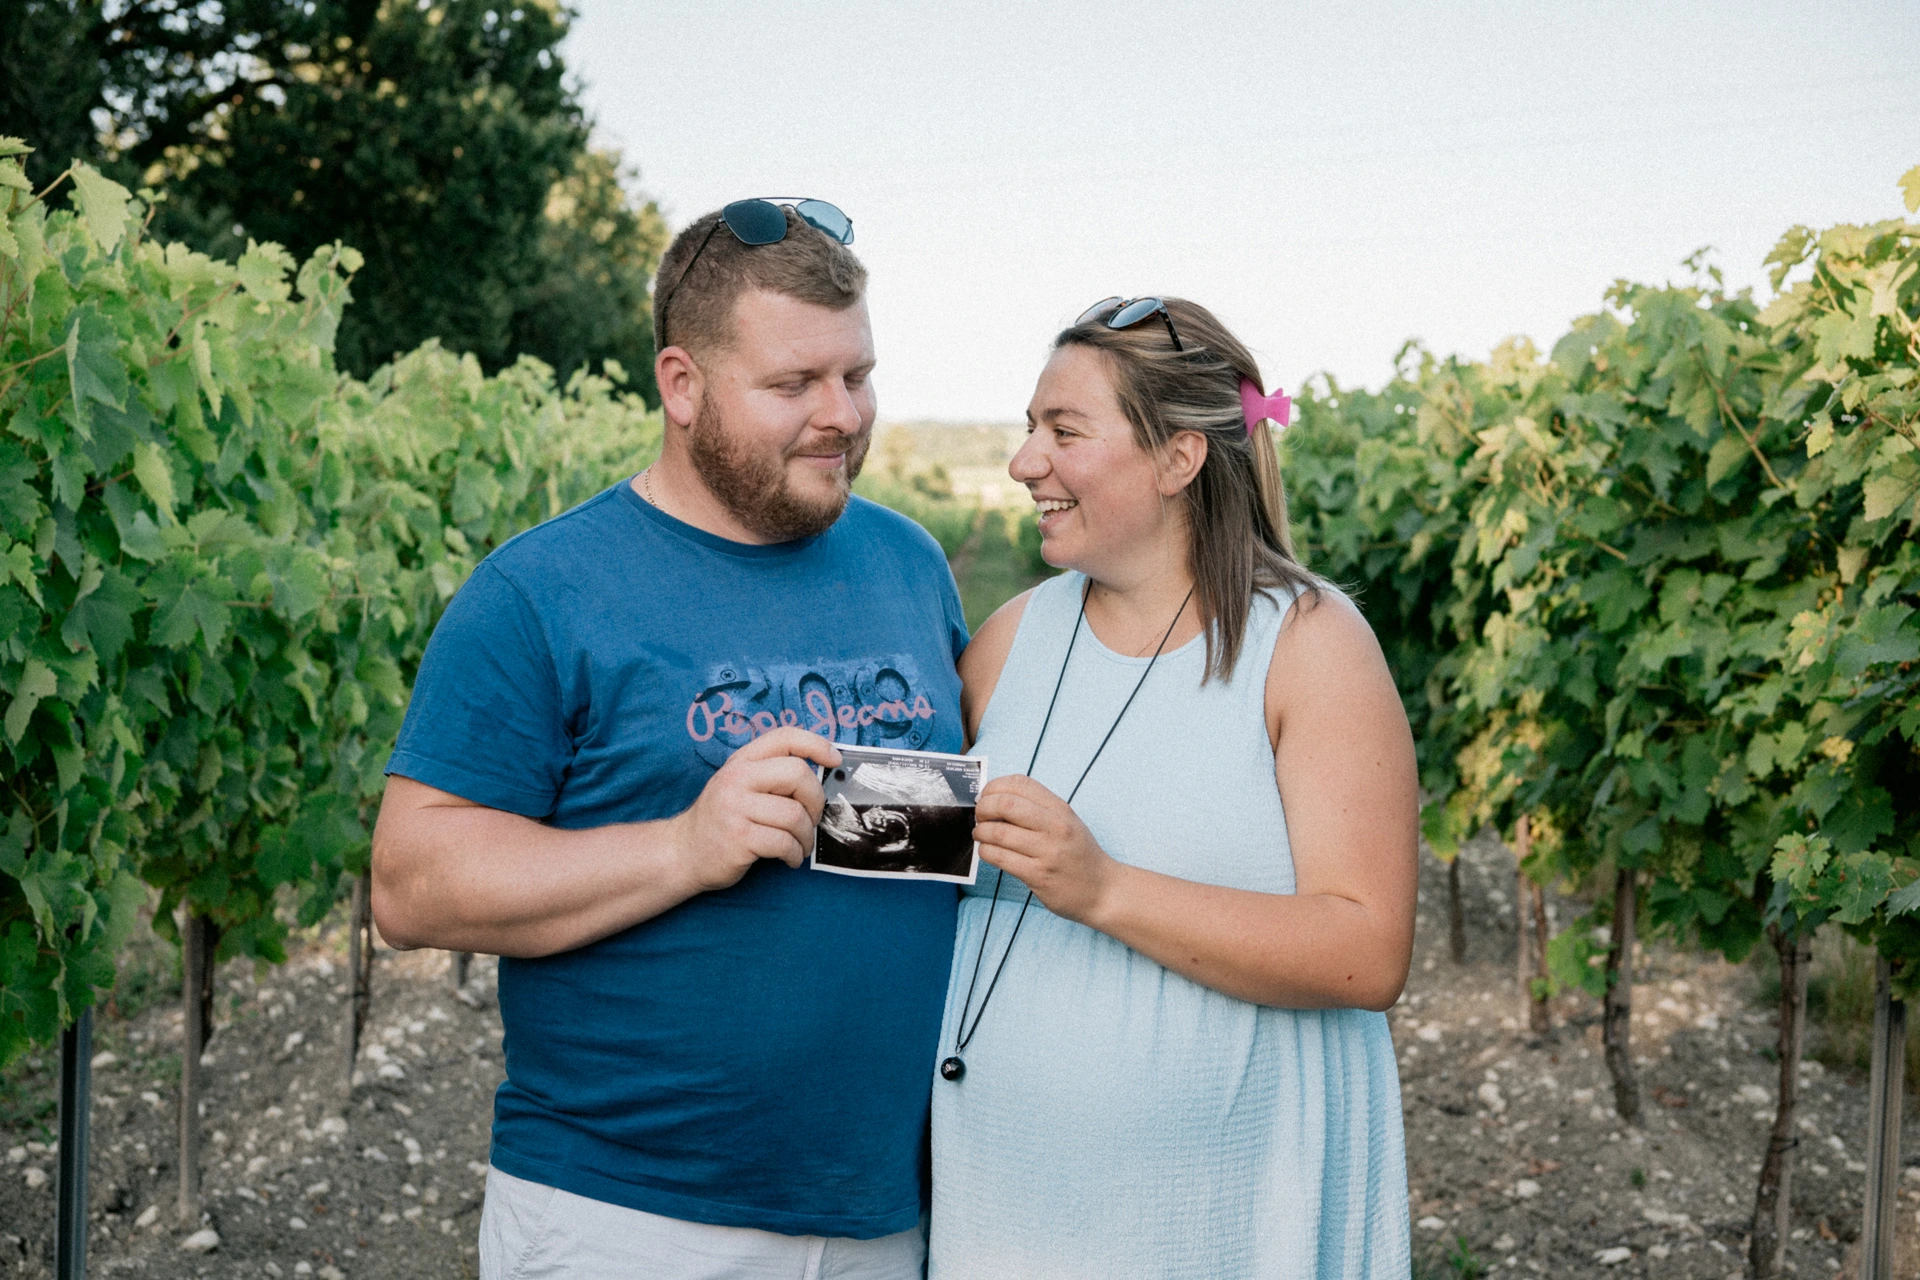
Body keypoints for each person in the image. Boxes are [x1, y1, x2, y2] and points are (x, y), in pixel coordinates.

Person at [370, 198, 968, 1280]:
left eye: (858, 374)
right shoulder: (540, 592)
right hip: (629, 1217)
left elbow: (926, 840)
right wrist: (684, 845)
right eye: (793, 385)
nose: (841, 414)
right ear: (681, 385)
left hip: (883, 1209)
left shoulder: (908, 563)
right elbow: (413, 885)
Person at [930, 297, 1417, 1278]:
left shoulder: (1310, 645)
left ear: (1177, 459)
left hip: (1213, 1222)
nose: (1027, 461)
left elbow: (1368, 953)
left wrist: (1103, 886)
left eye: (1064, 431)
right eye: (1031, 428)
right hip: (1007, 1207)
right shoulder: (1011, 640)